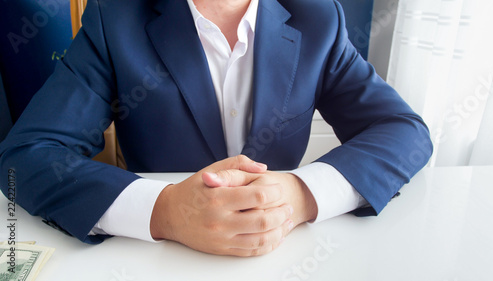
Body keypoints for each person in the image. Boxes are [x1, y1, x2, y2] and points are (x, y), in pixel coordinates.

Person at [0, 0, 432, 257]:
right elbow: (26, 155)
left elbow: (403, 130)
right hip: (159, 260)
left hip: (287, 256)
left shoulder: (318, 17)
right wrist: (165, 211)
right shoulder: (113, 18)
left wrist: (300, 196)